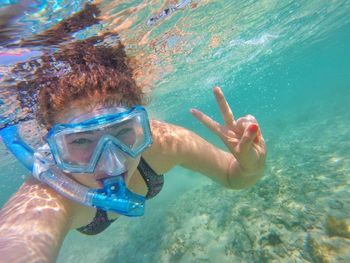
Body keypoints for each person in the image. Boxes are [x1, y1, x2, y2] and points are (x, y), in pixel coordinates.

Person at [0, 5, 266, 263]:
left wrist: (251, 165)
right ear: (53, 148)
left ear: (142, 127)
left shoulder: (163, 144)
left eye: (123, 130)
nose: (112, 162)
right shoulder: (46, 198)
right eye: (81, 140)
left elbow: (234, 177)